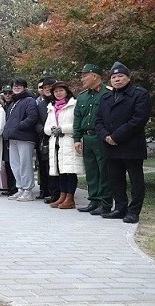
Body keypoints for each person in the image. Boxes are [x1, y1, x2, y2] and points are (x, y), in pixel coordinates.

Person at [96, 62, 151, 224]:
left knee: (136, 180)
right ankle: (120, 208)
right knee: (115, 179)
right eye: (114, 77)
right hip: (110, 145)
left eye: (121, 76)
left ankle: (134, 212)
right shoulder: (106, 97)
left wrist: (116, 136)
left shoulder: (140, 94)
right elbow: (98, 121)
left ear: (128, 78)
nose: (117, 80)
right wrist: (106, 136)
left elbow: (139, 119)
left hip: (130, 145)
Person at [73, 64, 112, 215]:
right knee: (91, 171)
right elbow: (77, 118)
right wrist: (77, 138)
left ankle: (105, 202)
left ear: (95, 76)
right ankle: (94, 200)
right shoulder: (82, 96)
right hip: (86, 137)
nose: (81, 78)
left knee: (104, 170)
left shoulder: (107, 94)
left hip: (100, 137)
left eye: (84, 75)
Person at [44, 82, 83, 209]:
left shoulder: (73, 104)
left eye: (61, 90)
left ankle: (70, 197)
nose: (58, 93)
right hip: (56, 142)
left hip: (69, 140)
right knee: (60, 170)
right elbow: (46, 127)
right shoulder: (51, 107)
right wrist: (53, 129)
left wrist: (62, 129)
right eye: (55, 92)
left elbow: (78, 124)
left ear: (66, 91)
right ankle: (62, 195)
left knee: (70, 170)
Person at [3, 77, 39, 202]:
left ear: (25, 87)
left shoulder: (29, 100)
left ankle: (28, 190)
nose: (16, 88)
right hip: (13, 138)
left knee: (25, 164)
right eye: (14, 86)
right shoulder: (13, 103)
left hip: (25, 137)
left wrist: (18, 127)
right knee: (15, 164)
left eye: (19, 86)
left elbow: (32, 118)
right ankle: (20, 189)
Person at [35, 77, 59, 202]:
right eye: (45, 88)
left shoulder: (61, 102)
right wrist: (43, 130)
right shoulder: (40, 104)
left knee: (60, 167)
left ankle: (63, 194)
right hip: (45, 139)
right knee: (47, 166)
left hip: (61, 138)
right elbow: (36, 121)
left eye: (50, 87)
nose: (48, 89)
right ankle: (51, 192)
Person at [0, 86, 18, 196]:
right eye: (5, 93)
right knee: (7, 163)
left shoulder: (14, 105)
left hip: (12, 137)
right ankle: (10, 187)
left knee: (13, 163)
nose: (7, 95)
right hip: (5, 138)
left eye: (9, 93)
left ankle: (15, 187)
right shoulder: (5, 106)